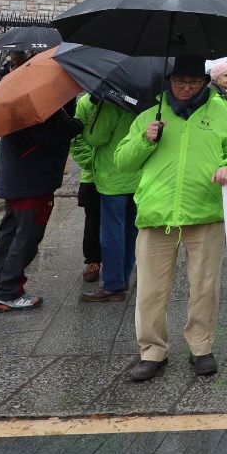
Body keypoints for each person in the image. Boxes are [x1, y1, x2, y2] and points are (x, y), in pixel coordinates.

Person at [113, 54, 227, 382]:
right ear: (169, 83)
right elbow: (122, 161)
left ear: (205, 83)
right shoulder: (150, 115)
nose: (186, 88)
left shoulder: (220, 112)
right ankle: (152, 350)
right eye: (179, 82)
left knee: (204, 287)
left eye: (192, 82)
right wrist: (144, 140)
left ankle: (201, 348)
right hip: (156, 214)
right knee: (150, 289)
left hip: (205, 212)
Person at [0, 101, 81, 312]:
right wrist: (76, 124)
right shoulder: (38, 107)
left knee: (9, 234)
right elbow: (50, 136)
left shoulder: (15, 99)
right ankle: (7, 293)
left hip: (14, 177)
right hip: (33, 180)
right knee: (27, 238)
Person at [70, 91, 140, 302]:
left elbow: (95, 137)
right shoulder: (140, 101)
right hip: (137, 176)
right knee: (130, 230)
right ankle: (124, 277)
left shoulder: (111, 103)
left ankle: (112, 284)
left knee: (111, 232)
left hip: (113, 176)